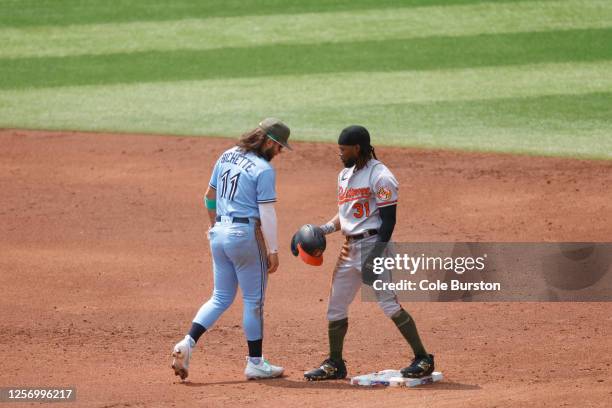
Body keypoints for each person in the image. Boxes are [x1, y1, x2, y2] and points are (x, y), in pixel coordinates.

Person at [302, 125, 435, 381]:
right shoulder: (344, 175)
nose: (339, 154)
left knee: (387, 303)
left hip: (374, 245)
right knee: (335, 305)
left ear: (357, 148)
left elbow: (388, 222)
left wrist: (375, 256)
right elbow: (345, 214)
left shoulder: (381, 176)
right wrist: (324, 229)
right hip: (348, 248)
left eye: (343, 149)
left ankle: (423, 358)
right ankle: (335, 363)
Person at [172, 118, 291, 381]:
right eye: (279, 147)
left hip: (219, 234)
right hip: (244, 236)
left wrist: (214, 227)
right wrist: (273, 249)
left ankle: (187, 343)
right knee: (253, 301)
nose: (280, 152)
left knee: (220, 297)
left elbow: (209, 196)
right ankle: (256, 363)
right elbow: (267, 214)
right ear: (269, 142)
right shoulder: (263, 169)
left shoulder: (227, 155)